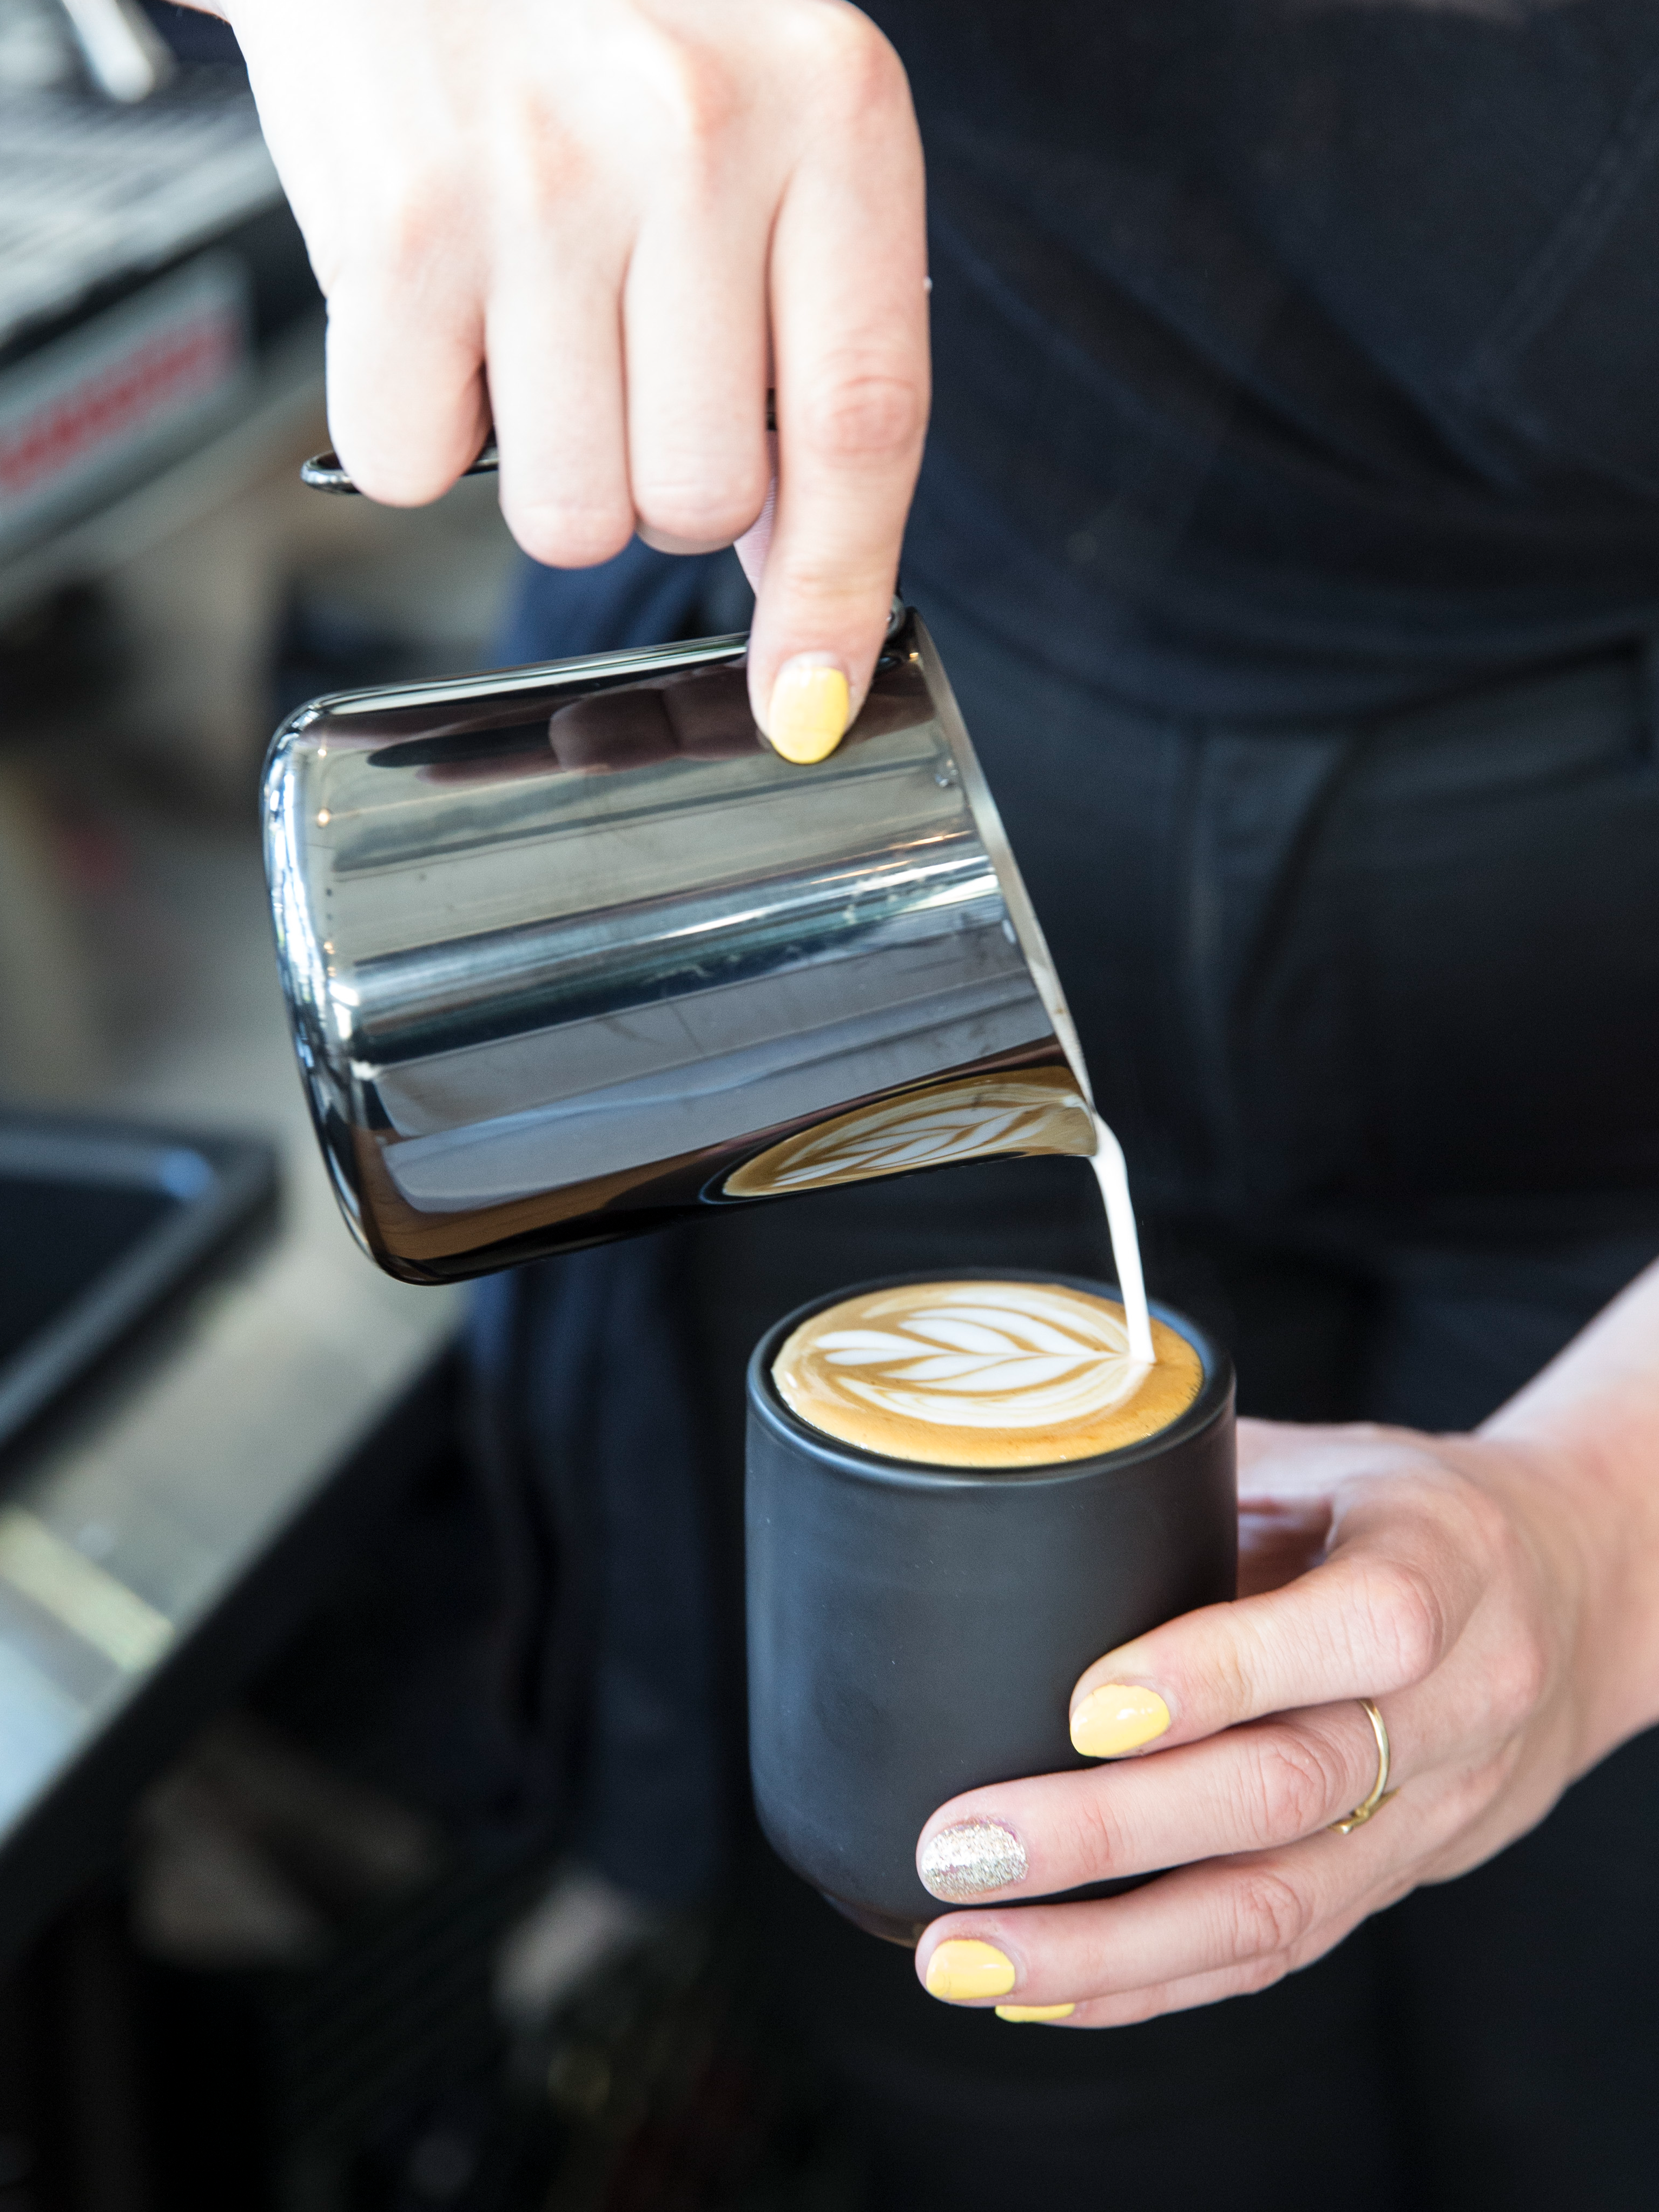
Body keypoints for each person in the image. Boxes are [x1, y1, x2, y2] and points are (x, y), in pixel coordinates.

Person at [200, 0, 1659, 2202]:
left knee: (1598, 2061)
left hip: (1596, 1000)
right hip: (882, 818)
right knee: (1019, 2023)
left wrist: (1605, 1541)